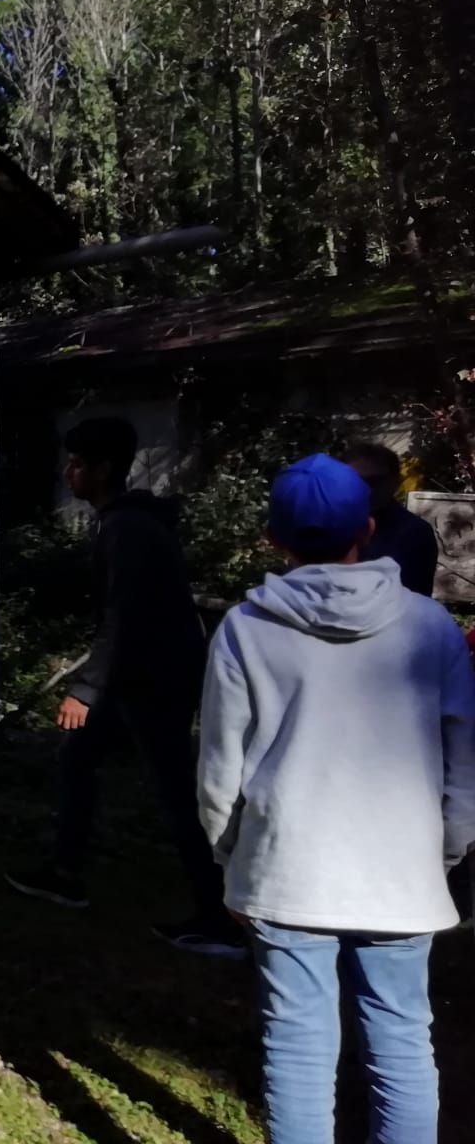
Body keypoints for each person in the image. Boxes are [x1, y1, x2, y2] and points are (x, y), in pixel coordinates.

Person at [199, 453, 475, 1144]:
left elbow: (219, 766)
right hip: (402, 872)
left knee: (297, 1045)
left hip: (285, 869)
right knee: (403, 1038)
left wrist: (232, 861)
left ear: (273, 538)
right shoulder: (431, 626)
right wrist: (445, 852)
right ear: (370, 527)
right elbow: (463, 760)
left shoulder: (245, 628)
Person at [4, 417, 240, 959]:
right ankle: (66, 872)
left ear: (104, 469)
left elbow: (124, 616)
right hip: (136, 675)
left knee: (176, 792)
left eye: (78, 464)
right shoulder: (125, 521)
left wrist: (85, 689)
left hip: (155, 679)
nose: (69, 472)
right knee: (78, 758)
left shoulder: (128, 528)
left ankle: (220, 916)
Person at [346, 442, 438, 597]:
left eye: (374, 481)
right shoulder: (328, 525)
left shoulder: (414, 533)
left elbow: (412, 595)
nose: (365, 488)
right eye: (356, 480)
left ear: (395, 481)